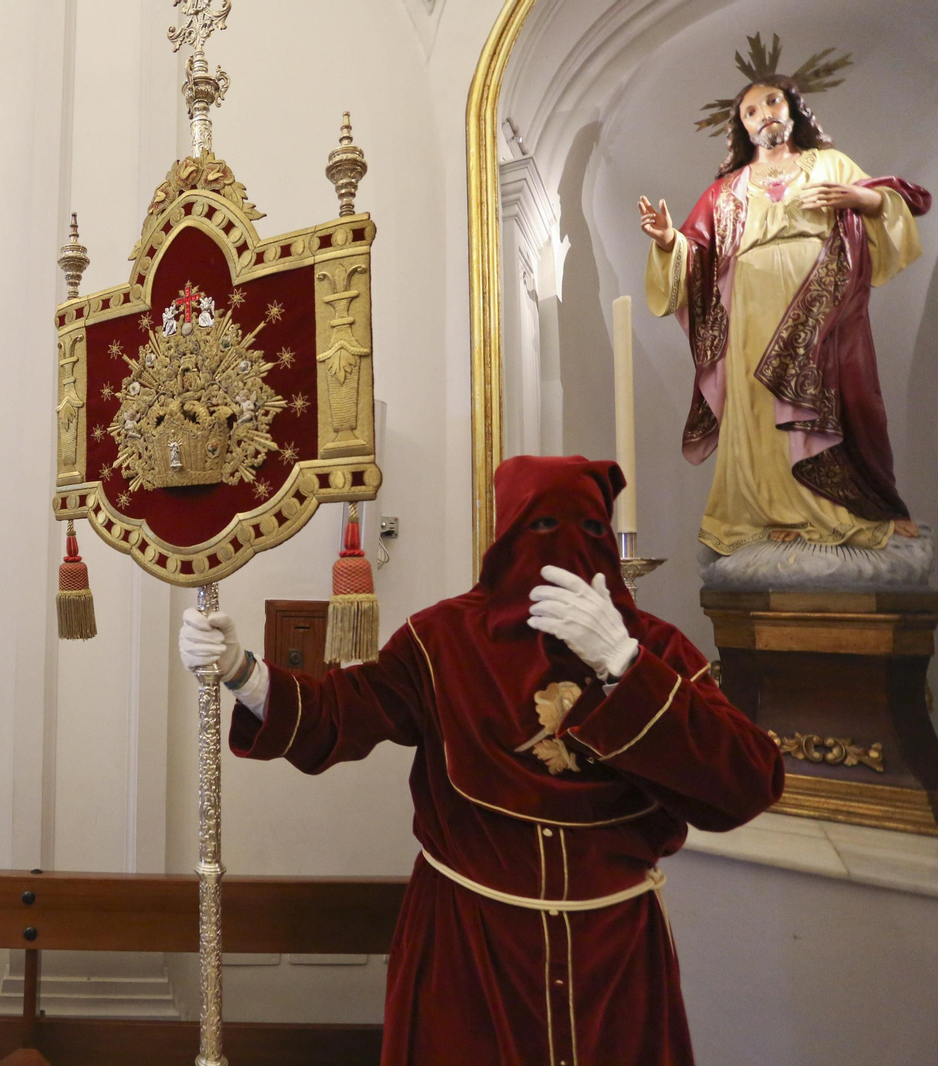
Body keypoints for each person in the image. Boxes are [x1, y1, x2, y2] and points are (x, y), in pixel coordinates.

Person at [179, 455, 783, 1066]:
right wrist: (242, 672)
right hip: (469, 956)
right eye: (542, 526)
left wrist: (624, 665)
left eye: (590, 529)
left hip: (615, 965)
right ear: (507, 537)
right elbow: (341, 713)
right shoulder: (443, 642)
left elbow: (746, 782)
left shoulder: (656, 649)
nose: (568, 546)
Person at [638, 75, 927, 555]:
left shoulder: (830, 164)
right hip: (749, 314)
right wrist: (669, 239)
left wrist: (861, 198)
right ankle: (771, 511)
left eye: (772, 101)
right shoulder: (727, 190)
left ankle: (859, 507)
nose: (764, 114)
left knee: (847, 397)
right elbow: (698, 256)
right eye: (751, 111)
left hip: (825, 309)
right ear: (743, 128)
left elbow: (896, 203)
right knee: (758, 405)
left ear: (792, 108)